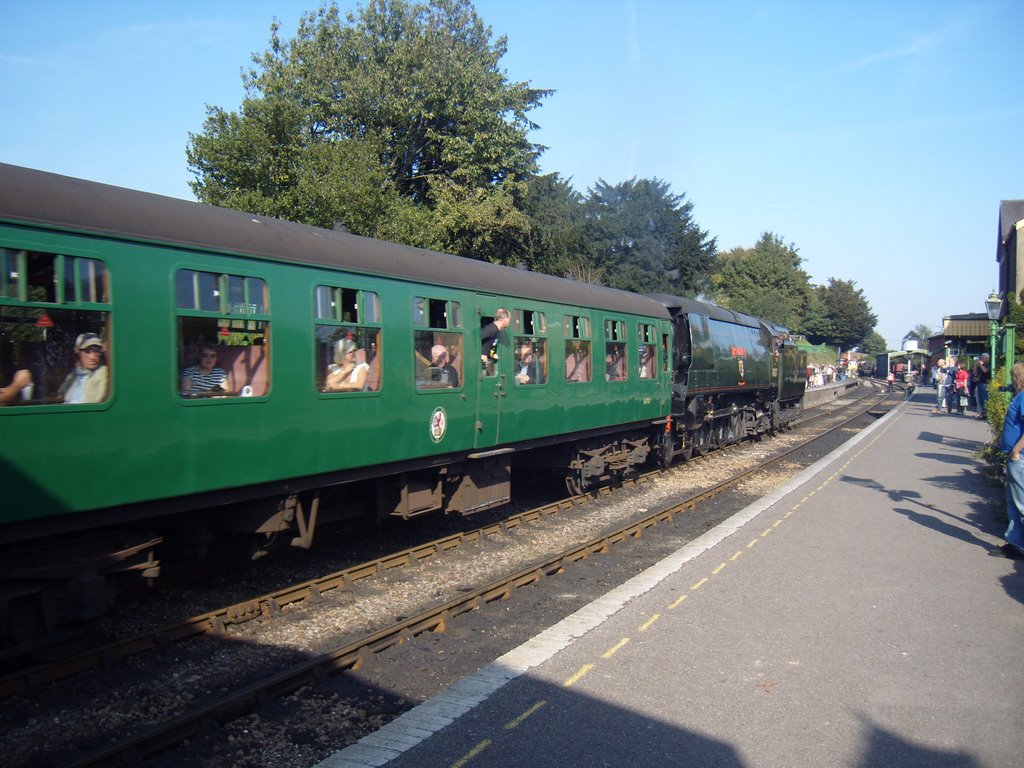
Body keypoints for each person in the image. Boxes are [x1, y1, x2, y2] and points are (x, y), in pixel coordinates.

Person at [993, 361, 1024, 559]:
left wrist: (1016, 451)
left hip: (1020, 458)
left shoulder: (1023, 398)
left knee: (1021, 503)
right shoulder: (1019, 396)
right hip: (1017, 457)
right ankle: (1015, 543)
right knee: (1013, 501)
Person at [59, 332, 109, 404]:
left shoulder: (104, 373)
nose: (93, 357)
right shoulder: (74, 375)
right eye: (87, 351)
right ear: (77, 351)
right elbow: (61, 394)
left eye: (97, 351)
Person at [973, 352, 991, 420]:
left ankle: (986, 414)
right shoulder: (980, 365)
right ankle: (981, 413)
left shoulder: (989, 364)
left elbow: (985, 371)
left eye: (982, 358)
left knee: (985, 399)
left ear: (986, 358)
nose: (981, 359)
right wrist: (976, 365)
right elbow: (974, 372)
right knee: (979, 399)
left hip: (985, 383)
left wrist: (981, 365)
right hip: (979, 383)